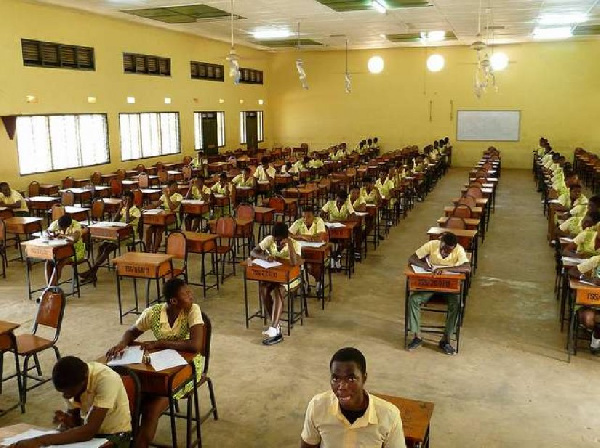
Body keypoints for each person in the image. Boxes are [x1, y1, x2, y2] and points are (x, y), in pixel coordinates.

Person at [106, 278, 204, 448]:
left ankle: (139, 444)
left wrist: (159, 343)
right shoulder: (154, 313)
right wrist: (122, 344)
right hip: (160, 367)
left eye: (190, 292)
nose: (191, 296)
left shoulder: (192, 310)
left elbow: (195, 345)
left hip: (188, 367)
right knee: (133, 400)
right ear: (173, 301)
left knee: (151, 410)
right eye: (186, 294)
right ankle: (128, 439)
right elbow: (131, 331)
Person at [8, 356, 131, 448]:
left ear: (83, 380)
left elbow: (89, 431)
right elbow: (78, 422)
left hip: (115, 436)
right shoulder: (72, 382)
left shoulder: (106, 379)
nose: (66, 396)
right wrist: (68, 420)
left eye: (69, 391)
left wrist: (40, 440)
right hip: (91, 435)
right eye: (62, 392)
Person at [300, 347, 405, 448]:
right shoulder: (317, 407)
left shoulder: (389, 416)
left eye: (351, 379)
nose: (342, 387)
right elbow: (308, 445)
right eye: (336, 379)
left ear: (364, 378)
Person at [406, 232, 471, 355]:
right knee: (414, 299)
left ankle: (445, 339)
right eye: (444, 248)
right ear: (441, 243)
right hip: (430, 285)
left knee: (456, 303)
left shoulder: (458, 250)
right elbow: (412, 258)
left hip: (448, 287)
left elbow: (467, 268)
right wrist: (423, 265)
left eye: (449, 251)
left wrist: (446, 269)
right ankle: (417, 336)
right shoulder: (432, 245)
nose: (446, 252)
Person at [250, 222, 301, 346]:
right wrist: (264, 257)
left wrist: (289, 245)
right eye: (275, 239)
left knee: (279, 291)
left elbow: (295, 263)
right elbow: (253, 252)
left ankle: (273, 328)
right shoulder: (270, 239)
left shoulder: (295, 244)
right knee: (263, 288)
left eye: (279, 240)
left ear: (285, 237)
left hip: (291, 278)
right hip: (274, 275)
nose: (277, 242)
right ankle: (276, 325)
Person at [80, 191, 141, 283]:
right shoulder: (123, 209)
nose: (125, 202)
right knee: (101, 247)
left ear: (132, 200)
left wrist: (127, 209)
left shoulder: (136, 211)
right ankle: (93, 272)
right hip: (118, 235)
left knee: (107, 248)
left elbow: (128, 221)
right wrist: (120, 209)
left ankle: (92, 271)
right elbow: (114, 221)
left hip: (128, 236)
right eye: (124, 200)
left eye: (127, 200)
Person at [289, 207, 328, 295]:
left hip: (317, 251)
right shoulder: (299, 222)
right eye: (304, 217)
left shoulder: (319, 221)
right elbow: (288, 234)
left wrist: (298, 236)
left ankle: (318, 282)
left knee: (312, 267)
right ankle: (301, 282)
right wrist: (302, 236)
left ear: (313, 216)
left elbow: (320, 237)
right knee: (294, 264)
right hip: (302, 251)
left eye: (308, 217)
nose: (306, 219)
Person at [46, 215, 85, 286]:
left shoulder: (75, 224)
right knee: (48, 262)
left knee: (60, 263)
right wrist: (49, 234)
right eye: (59, 227)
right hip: (61, 250)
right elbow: (48, 231)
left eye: (63, 228)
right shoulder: (56, 223)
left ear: (68, 226)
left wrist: (63, 235)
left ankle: (50, 287)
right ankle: (50, 286)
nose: (61, 230)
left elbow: (75, 238)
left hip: (76, 251)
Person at [144, 180, 182, 253]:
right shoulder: (163, 196)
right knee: (149, 230)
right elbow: (156, 205)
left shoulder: (178, 196)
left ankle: (154, 251)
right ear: (168, 187)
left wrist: (167, 197)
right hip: (162, 219)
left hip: (173, 219)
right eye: (173, 186)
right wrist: (147, 208)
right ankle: (147, 250)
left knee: (159, 230)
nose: (175, 188)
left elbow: (172, 208)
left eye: (176, 186)